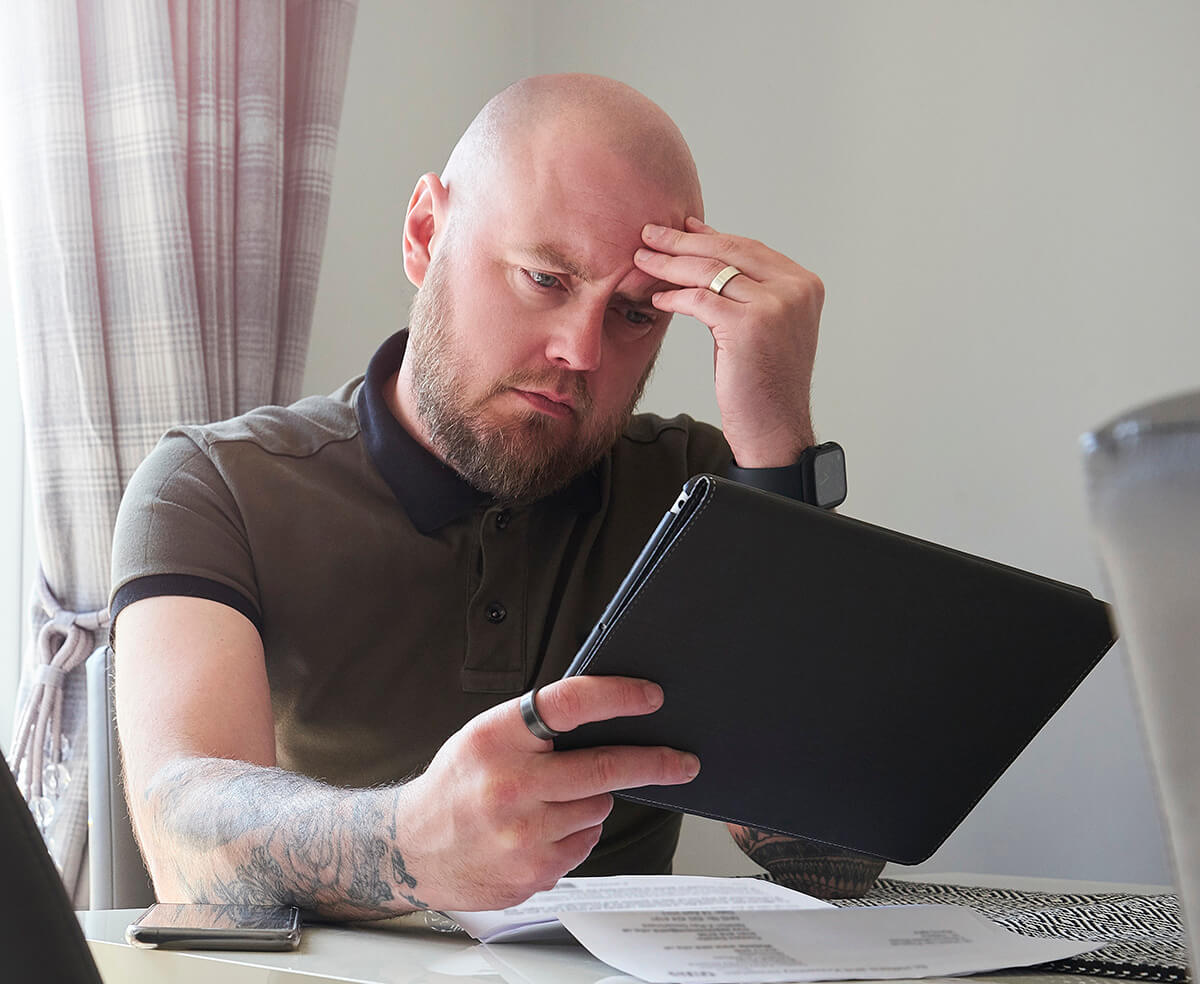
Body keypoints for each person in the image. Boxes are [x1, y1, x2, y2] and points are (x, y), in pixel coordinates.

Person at [110, 74, 884, 919]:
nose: (580, 351)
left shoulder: (695, 493)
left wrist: (775, 450)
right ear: (423, 232)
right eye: (546, 279)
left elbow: (831, 864)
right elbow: (181, 835)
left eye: (633, 315)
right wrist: (411, 843)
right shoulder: (215, 487)